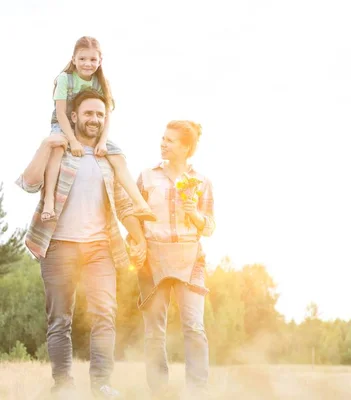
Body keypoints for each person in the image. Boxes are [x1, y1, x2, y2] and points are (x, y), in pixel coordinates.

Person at [15, 87, 146, 399]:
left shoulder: (109, 154)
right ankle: (63, 386)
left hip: (100, 248)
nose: (95, 119)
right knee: (60, 319)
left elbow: (124, 204)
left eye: (100, 114)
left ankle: (101, 384)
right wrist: (46, 144)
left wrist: (139, 239)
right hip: (59, 246)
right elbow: (29, 183)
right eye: (88, 113)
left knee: (105, 315)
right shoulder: (58, 148)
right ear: (73, 116)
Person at [132, 120, 215, 398]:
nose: (163, 143)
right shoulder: (145, 177)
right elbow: (132, 216)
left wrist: (194, 213)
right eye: (163, 138)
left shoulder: (202, 182)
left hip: (190, 260)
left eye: (170, 140)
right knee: (155, 330)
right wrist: (136, 244)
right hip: (152, 260)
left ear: (186, 147)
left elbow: (210, 227)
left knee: (194, 326)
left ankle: (197, 392)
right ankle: (158, 391)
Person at [41, 36, 155, 223]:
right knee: (56, 149)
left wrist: (102, 141)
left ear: (100, 61)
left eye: (93, 59)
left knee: (116, 154)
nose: (88, 64)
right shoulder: (64, 79)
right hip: (64, 125)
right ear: (74, 60)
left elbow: (107, 115)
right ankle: (49, 201)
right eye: (83, 59)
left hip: (90, 126)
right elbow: (61, 113)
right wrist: (72, 140)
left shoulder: (101, 82)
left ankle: (140, 202)